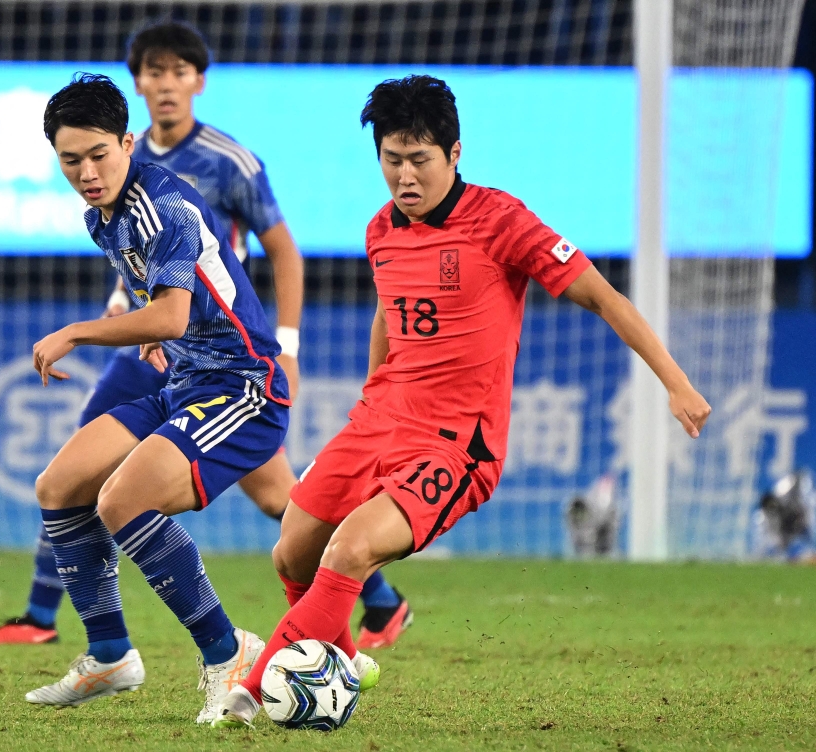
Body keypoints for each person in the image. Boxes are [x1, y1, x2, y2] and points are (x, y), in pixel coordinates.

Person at [211, 74, 713, 727]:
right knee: (292, 551)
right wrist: (371, 400)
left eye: (419, 160)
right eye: (392, 161)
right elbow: (390, 315)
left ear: (454, 154)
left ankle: (250, 694)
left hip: (456, 442)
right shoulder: (381, 230)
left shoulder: (502, 222)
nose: (404, 176)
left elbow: (603, 297)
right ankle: (343, 658)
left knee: (351, 551)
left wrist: (676, 382)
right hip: (381, 421)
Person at [0, 22, 411, 653]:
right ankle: (52, 620)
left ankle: (357, 601)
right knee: (74, 473)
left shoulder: (225, 163)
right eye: (154, 71)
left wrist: (287, 341)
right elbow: (140, 276)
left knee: (269, 491)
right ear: (139, 83)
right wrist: (146, 327)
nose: (166, 84)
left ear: (197, 82)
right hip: (157, 345)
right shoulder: (107, 167)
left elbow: (281, 251)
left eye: (179, 72)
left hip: (221, 348)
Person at [22, 72, 296, 722]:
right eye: (70, 160)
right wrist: (159, 338)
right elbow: (177, 311)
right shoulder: (104, 216)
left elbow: (171, 314)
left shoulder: (162, 204)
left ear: (127, 141)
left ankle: (228, 651)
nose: (87, 172)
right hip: (184, 384)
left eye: (98, 155)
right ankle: (111, 652)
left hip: (244, 387)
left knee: (124, 499)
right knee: (59, 485)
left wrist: (78, 332)